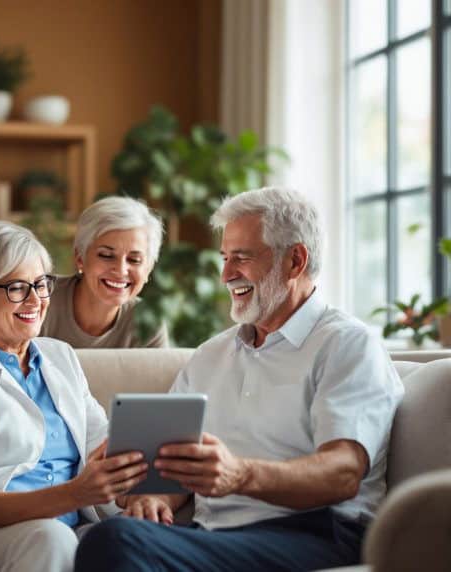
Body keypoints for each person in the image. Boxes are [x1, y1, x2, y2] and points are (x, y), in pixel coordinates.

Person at [74, 187, 405, 572]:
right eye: (225, 258)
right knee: (106, 534)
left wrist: (240, 474)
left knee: (114, 541)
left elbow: (344, 472)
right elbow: (170, 468)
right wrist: (155, 499)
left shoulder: (347, 344)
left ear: (295, 260)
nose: (226, 274)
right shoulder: (210, 356)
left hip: (318, 533)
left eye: (242, 258)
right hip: (216, 535)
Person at [0, 220, 149, 572]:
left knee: (131, 539)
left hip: (72, 528)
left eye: (41, 284)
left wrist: (143, 493)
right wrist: (75, 494)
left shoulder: (60, 356)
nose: (36, 300)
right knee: (52, 538)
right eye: (18, 288)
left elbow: (103, 444)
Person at [40, 196, 169, 348]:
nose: (121, 270)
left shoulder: (149, 323)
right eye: (106, 255)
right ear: (80, 257)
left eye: (134, 260)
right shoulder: (39, 299)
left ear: (148, 269)